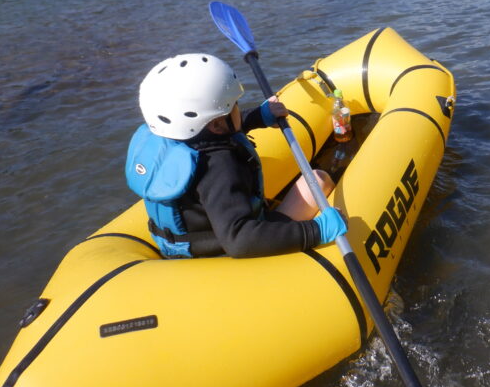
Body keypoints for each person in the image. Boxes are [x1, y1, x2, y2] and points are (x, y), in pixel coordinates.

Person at [125, 52, 347, 258]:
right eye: (234, 107)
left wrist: (258, 116)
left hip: (187, 239)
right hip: (217, 250)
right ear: (217, 124)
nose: (238, 109)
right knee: (319, 179)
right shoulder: (220, 166)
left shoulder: (166, 135)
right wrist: (316, 231)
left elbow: (210, 134)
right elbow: (241, 240)